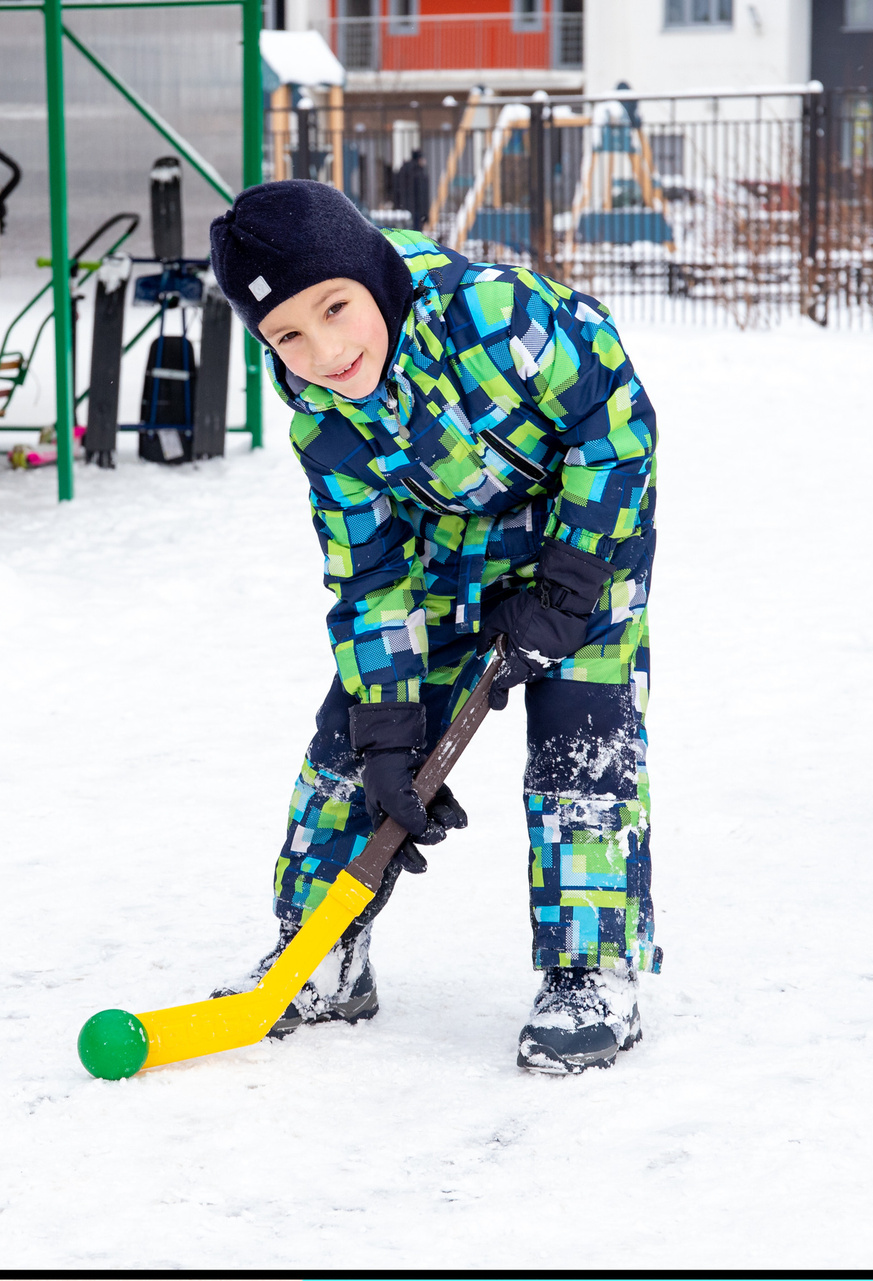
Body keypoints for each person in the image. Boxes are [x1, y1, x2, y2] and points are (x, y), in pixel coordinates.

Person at [204, 180, 657, 1074]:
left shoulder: (493, 312)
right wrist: (387, 730)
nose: (324, 350)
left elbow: (615, 420)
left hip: (584, 524)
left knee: (582, 745)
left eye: (335, 308)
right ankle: (319, 952)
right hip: (445, 549)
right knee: (351, 751)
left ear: (371, 275)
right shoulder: (324, 423)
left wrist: (567, 590)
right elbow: (370, 575)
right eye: (288, 334)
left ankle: (592, 972)